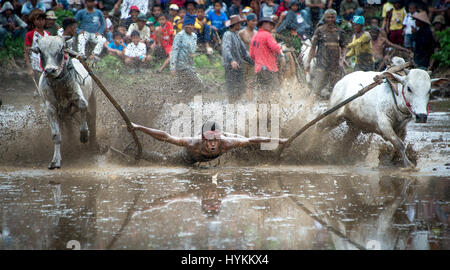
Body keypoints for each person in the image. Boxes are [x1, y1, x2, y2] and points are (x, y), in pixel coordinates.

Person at [128, 121, 288, 166]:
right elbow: (166, 137)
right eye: (209, 141)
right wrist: (139, 127)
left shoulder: (226, 143)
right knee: (165, 161)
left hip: (228, 141)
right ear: (203, 140)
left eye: (215, 141)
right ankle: (136, 153)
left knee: (245, 143)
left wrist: (280, 141)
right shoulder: (192, 143)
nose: (212, 144)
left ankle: (267, 157)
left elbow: (252, 139)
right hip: (189, 158)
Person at [305, 9, 346, 99]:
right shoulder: (319, 30)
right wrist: (308, 62)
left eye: (332, 17)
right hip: (321, 65)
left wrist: (342, 59)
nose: (330, 19)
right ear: (324, 18)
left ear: (335, 18)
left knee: (335, 90)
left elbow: (343, 47)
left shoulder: (340, 32)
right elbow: (313, 47)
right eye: (328, 17)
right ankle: (308, 108)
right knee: (316, 89)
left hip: (335, 66)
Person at [170, 15, 207, 93]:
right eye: (188, 25)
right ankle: (195, 103)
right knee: (199, 84)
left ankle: (187, 103)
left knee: (187, 86)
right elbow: (174, 51)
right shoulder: (179, 36)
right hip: (181, 65)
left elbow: (192, 49)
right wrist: (172, 67)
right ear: (184, 26)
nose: (190, 27)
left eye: (192, 25)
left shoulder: (194, 36)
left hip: (190, 65)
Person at [222, 15, 254, 102]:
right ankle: (231, 108)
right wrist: (231, 60)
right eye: (239, 23)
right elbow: (226, 49)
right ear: (235, 24)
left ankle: (236, 108)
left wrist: (254, 62)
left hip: (238, 66)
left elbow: (244, 53)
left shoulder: (236, 36)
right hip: (231, 66)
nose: (240, 25)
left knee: (240, 90)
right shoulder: (227, 35)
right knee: (232, 90)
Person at [249, 17, 282, 102]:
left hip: (258, 69)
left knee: (262, 92)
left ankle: (262, 113)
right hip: (268, 68)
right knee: (275, 91)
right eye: (269, 24)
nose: (271, 26)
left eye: (272, 24)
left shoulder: (254, 37)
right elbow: (276, 48)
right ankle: (273, 113)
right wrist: (280, 48)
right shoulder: (267, 35)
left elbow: (252, 55)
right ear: (262, 24)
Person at [24, 10, 49, 96]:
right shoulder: (30, 35)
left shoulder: (48, 34)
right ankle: (36, 107)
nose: (41, 21)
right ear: (34, 21)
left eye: (42, 19)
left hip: (46, 65)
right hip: (35, 65)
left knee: (46, 89)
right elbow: (26, 52)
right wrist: (29, 68)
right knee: (37, 90)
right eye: (38, 19)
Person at [238, 12, 257, 101]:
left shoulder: (257, 33)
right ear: (247, 22)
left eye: (256, 21)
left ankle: (250, 103)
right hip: (243, 61)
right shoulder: (241, 33)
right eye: (252, 21)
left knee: (250, 83)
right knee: (242, 82)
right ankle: (240, 101)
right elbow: (236, 46)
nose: (254, 23)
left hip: (253, 62)